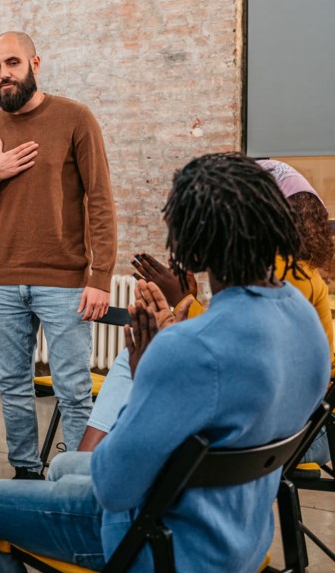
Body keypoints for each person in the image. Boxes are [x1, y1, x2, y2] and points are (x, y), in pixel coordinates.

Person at [0, 153, 330, 573]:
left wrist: (144, 369)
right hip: (244, 539)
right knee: (61, 466)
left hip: (162, 546)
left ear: (193, 249)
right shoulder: (303, 319)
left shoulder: (188, 348)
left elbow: (114, 486)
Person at [80, 158, 334, 460]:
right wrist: (188, 299)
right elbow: (237, 341)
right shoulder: (291, 273)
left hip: (295, 431)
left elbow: (231, 349)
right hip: (294, 422)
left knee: (140, 359)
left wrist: (175, 306)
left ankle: (87, 459)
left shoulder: (283, 272)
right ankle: (89, 460)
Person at [0, 31, 117, 478]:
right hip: (4, 281)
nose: (4, 74)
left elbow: (100, 200)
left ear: (35, 63)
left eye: (12, 63)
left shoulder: (75, 118)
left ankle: (82, 479)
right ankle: (26, 473)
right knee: (11, 385)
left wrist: (100, 275)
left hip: (65, 282)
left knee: (73, 388)